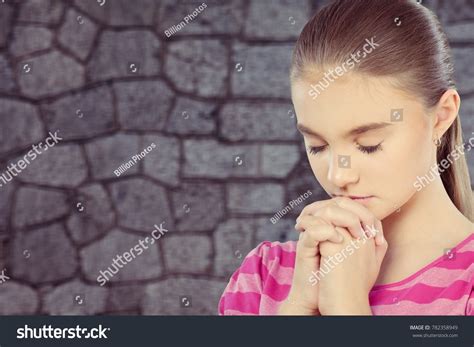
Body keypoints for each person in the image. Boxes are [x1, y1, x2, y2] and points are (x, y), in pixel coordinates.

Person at [218, 0, 474, 315]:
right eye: (317, 145)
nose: (339, 177)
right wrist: (298, 306)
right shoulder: (263, 276)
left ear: (441, 117)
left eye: (369, 144)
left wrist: (346, 305)